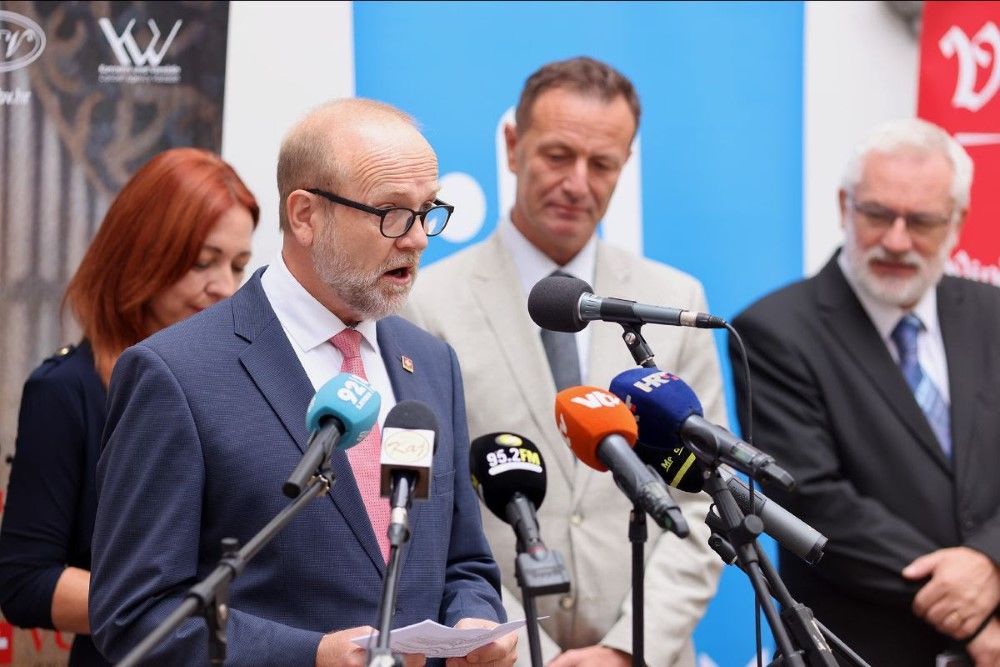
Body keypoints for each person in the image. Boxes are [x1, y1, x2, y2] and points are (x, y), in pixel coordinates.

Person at [88, 98, 516, 667]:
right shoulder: (176, 373)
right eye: (392, 212)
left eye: (427, 211)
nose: (417, 239)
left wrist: (475, 620)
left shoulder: (432, 362)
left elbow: (464, 562)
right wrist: (310, 655)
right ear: (305, 215)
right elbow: (136, 614)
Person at [403, 57, 725, 667]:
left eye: (602, 164)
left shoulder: (674, 301)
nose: (578, 183)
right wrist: (533, 655)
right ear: (512, 146)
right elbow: (426, 513)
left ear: (626, 163)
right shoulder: (424, 305)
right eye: (557, 155)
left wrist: (626, 650)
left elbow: (701, 500)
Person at [728, 117, 1000, 666]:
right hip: (854, 650)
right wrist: (965, 605)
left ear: (957, 221)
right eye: (877, 214)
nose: (896, 241)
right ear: (843, 206)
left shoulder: (992, 314)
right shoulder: (775, 330)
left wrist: (990, 560)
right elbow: (813, 500)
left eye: (921, 221)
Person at [0, 147, 259, 666]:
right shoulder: (66, 390)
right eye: (202, 261)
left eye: (238, 266)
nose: (224, 287)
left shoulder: (245, 384)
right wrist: (175, 618)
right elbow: (26, 580)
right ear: (141, 254)